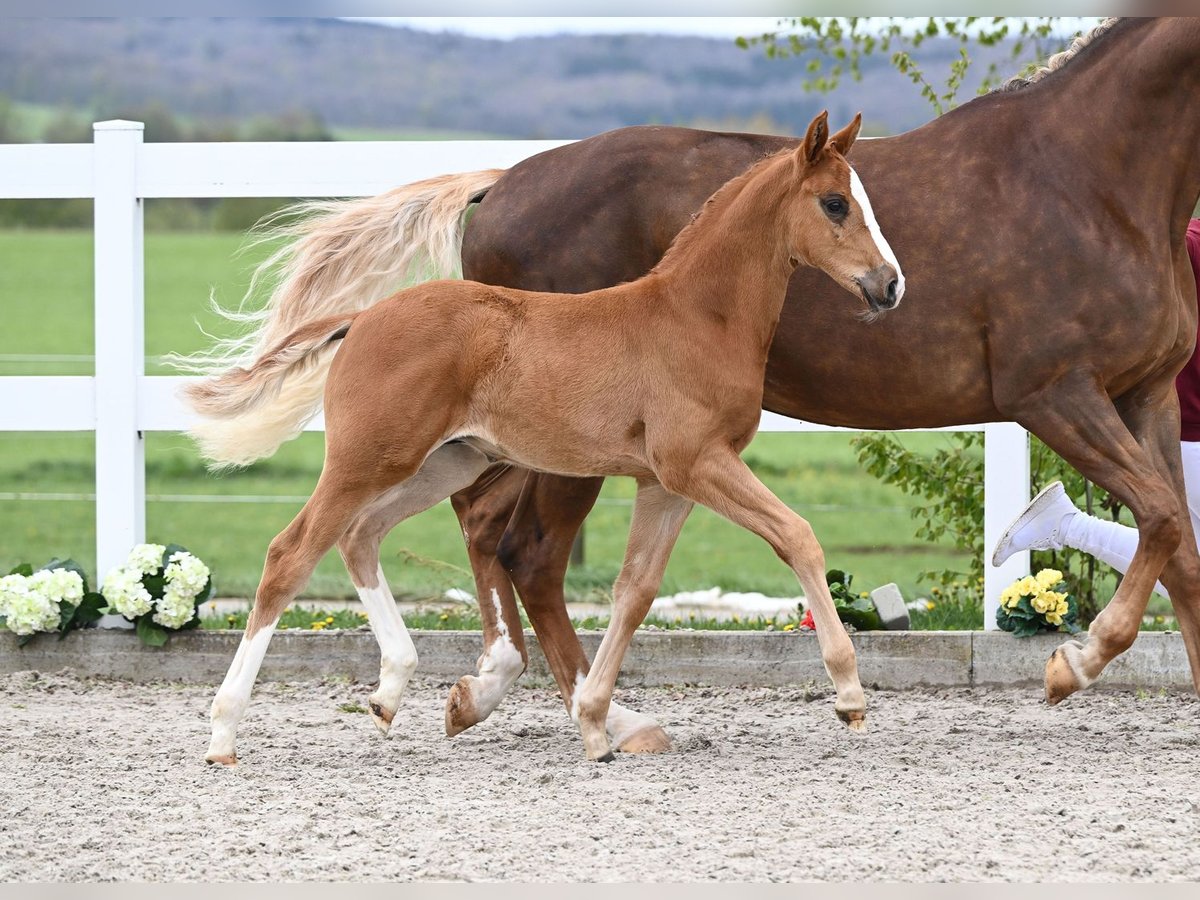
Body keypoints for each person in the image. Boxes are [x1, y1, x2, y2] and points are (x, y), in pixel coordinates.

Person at [992, 219, 1200, 598]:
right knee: (1186, 569)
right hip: (1189, 432)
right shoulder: (1182, 246)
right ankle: (1068, 525)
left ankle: (1066, 524)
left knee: (1187, 566)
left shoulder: (1178, 242)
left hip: (1183, 428)